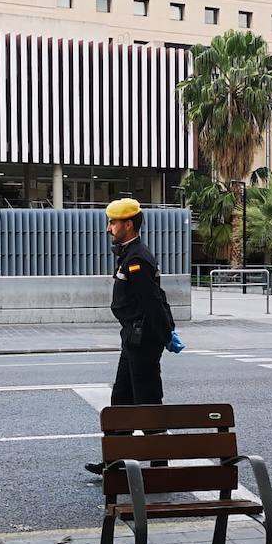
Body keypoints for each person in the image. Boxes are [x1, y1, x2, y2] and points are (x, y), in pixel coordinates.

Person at [84, 198, 181, 477]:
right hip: (132, 340)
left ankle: (159, 466)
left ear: (128, 224)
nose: (108, 228)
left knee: (147, 402)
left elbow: (152, 301)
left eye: (113, 223)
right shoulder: (129, 254)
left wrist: (165, 335)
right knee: (122, 401)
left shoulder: (137, 258)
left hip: (142, 341)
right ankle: (114, 462)